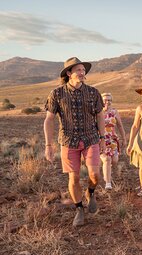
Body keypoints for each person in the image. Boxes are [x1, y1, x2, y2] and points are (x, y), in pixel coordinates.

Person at [44, 57, 105, 227]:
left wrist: (102, 138)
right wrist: (48, 145)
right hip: (68, 141)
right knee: (74, 177)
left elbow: (100, 116)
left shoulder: (93, 92)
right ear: (69, 73)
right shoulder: (57, 94)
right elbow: (49, 120)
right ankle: (79, 209)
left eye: (83, 70)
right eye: (78, 70)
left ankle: (90, 193)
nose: (82, 72)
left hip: (91, 138)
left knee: (95, 174)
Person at [100, 93, 127, 190]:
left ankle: (106, 171)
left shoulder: (114, 112)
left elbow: (120, 125)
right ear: (101, 101)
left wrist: (124, 138)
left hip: (113, 140)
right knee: (107, 159)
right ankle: (108, 183)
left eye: (109, 100)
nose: (107, 102)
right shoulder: (97, 112)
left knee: (114, 160)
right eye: (105, 100)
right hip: (101, 140)